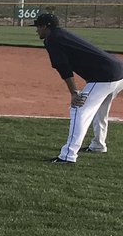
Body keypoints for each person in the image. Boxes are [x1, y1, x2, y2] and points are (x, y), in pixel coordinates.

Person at [34, 12, 123, 164]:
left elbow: (63, 67)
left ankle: (68, 155)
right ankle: (98, 145)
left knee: (78, 109)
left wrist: (74, 92)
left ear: (45, 27)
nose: (36, 30)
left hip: (103, 76)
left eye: (38, 27)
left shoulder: (52, 39)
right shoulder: (61, 34)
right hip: (118, 71)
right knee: (100, 110)